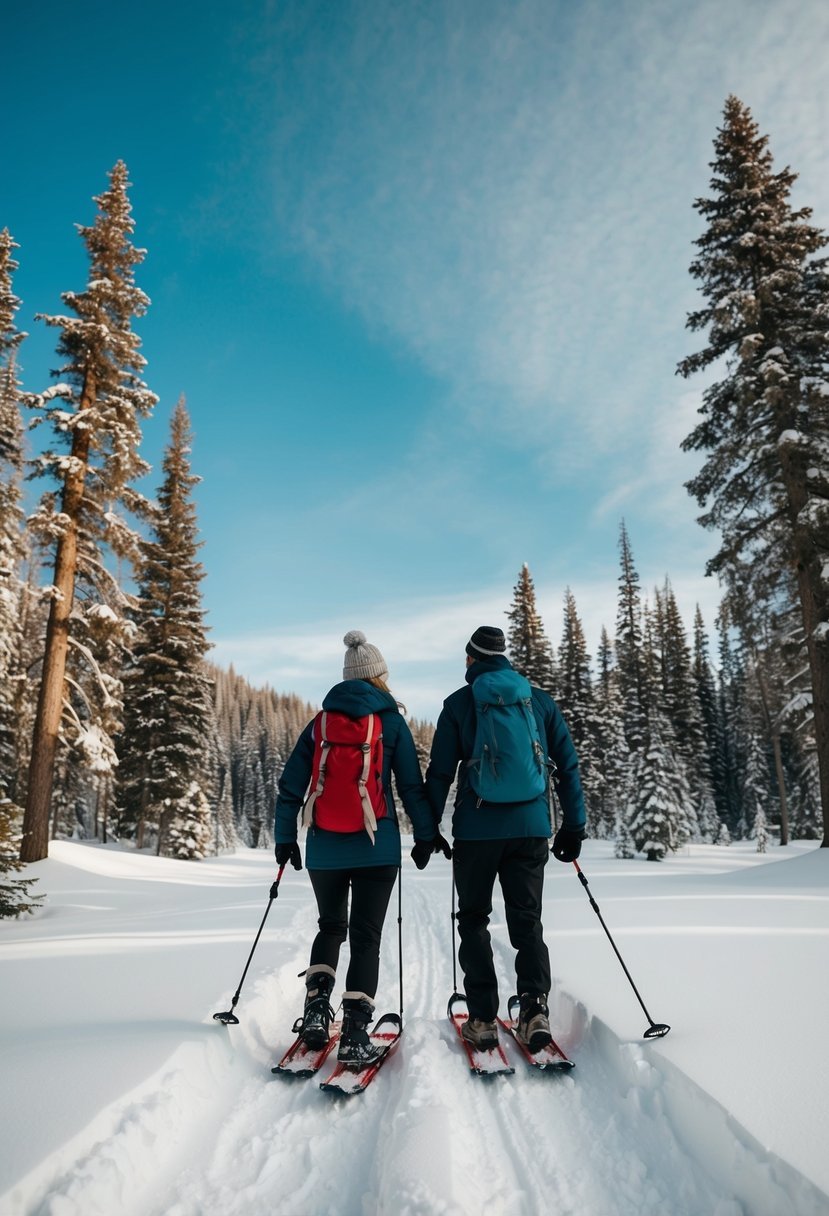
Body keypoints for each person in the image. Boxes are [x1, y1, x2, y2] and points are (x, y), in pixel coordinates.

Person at [274, 630, 438, 1065]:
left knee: (330, 927)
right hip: (376, 847)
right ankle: (353, 1033)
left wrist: (285, 838)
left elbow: (290, 786)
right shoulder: (391, 722)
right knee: (366, 938)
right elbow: (411, 788)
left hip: (323, 847)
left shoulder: (320, 723)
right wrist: (425, 835)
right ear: (379, 676)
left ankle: (313, 1014)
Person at [422, 625, 586, 1053]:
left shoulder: (459, 705)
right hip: (531, 830)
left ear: (472, 660)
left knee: (474, 919)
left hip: (477, 833)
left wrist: (427, 830)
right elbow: (567, 765)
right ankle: (534, 1010)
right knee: (526, 920)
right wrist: (574, 825)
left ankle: (481, 1019)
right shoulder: (537, 701)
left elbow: (439, 772)